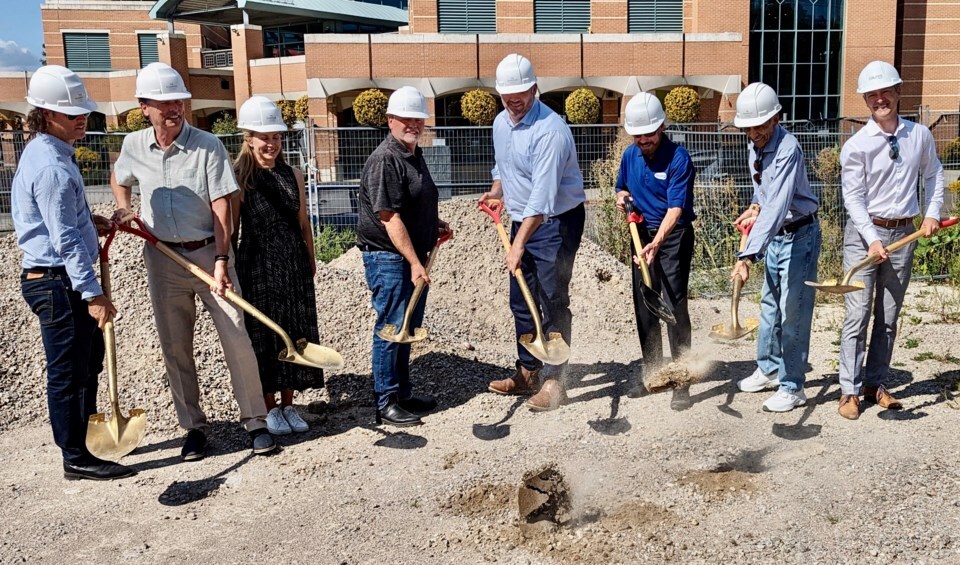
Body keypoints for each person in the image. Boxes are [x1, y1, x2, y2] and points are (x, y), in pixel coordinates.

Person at [110, 62, 276, 458]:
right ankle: (194, 429)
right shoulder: (134, 146)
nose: (173, 109)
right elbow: (120, 178)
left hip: (207, 253)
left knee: (237, 337)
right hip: (163, 257)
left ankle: (255, 422)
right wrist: (124, 208)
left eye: (178, 101)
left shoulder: (207, 145)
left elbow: (221, 205)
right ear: (143, 106)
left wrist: (221, 258)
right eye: (163, 103)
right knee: (175, 345)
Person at [12, 65, 134, 480]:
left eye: (83, 111)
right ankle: (75, 457)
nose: (81, 118)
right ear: (46, 114)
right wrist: (93, 294)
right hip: (57, 281)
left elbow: (61, 222)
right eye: (71, 113)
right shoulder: (53, 168)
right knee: (68, 371)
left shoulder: (48, 153)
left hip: (57, 277)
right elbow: (63, 240)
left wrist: (90, 220)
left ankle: (84, 442)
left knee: (88, 363)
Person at [835, 61, 944, 420]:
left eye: (885, 92)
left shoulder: (919, 136)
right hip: (865, 236)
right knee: (858, 314)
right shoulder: (857, 146)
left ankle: (875, 385)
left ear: (898, 93)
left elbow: (934, 174)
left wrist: (930, 213)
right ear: (865, 100)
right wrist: (871, 239)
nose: (879, 99)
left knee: (888, 316)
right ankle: (849, 392)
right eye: (872, 95)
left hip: (905, 232)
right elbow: (853, 198)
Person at [482, 53, 586, 412]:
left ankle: (556, 381)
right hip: (522, 219)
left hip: (557, 222)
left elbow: (541, 202)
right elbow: (504, 167)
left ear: (534, 89)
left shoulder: (551, 132)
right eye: (508, 96)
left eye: (521, 95)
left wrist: (518, 246)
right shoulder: (500, 123)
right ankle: (528, 370)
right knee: (520, 298)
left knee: (552, 297)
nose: (514, 102)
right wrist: (497, 192)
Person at [358, 86, 450, 427]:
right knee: (392, 325)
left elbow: (410, 203)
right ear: (390, 120)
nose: (413, 124)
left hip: (413, 252)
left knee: (407, 325)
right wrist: (413, 261)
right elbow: (389, 217)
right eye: (406, 118)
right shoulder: (386, 159)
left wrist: (432, 223)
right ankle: (385, 402)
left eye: (418, 118)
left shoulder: (412, 153)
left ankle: (403, 393)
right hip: (389, 257)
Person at [233, 96, 323, 435]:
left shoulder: (293, 175)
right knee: (266, 336)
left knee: (295, 332)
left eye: (276, 137)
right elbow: (232, 230)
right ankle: (269, 407)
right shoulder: (241, 177)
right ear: (249, 138)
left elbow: (303, 224)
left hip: (292, 263)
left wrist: (310, 260)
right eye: (264, 136)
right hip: (256, 266)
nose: (270, 143)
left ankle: (288, 404)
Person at [730, 83, 822, 413]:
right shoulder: (754, 145)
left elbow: (779, 206)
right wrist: (754, 207)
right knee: (770, 306)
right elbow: (765, 195)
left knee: (792, 310)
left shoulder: (788, 148)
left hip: (799, 236)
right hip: (776, 237)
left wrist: (747, 255)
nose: (753, 133)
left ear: (777, 118)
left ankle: (793, 385)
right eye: (748, 128)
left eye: (760, 126)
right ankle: (768, 369)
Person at [613, 93, 696, 410]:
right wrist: (622, 197)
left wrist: (657, 242)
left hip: (672, 236)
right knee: (645, 304)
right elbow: (621, 187)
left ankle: (681, 380)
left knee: (674, 305)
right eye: (638, 134)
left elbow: (676, 210)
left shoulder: (678, 158)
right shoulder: (630, 156)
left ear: (662, 126)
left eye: (650, 133)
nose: (644, 140)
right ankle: (654, 374)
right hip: (641, 234)